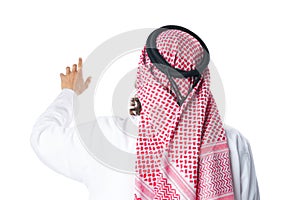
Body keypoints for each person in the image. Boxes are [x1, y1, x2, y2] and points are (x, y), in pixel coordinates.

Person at [31, 26, 260, 200]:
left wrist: (71, 94)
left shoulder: (103, 138)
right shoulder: (232, 144)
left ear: (144, 73)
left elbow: (42, 137)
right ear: (201, 81)